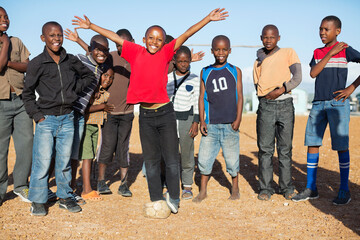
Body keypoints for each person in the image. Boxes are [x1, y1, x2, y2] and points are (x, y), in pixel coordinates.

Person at [72, 8, 228, 215]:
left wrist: (208, 19)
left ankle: (173, 197)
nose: (155, 42)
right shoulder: (135, 52)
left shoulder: (165, 53)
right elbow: (114, 36)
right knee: (152, 161)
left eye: (159, 39)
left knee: (172, 159)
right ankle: (156, 199)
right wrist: (91, 26)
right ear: (144, 39)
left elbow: (187, 33)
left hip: (165, 113)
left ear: (164, 43)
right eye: (151, 38)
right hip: (145, 116)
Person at [22, 21, 95, 216]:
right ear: (43, 38)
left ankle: (64, 197)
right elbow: (27, 94)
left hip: (68, 118)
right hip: (46, 119)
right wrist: (37, 116)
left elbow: (89, 77)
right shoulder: (37, 63)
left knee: (63, 161)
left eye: (59, 35)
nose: (56, 39)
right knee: (43, 160)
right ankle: (38, 200)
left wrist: (73, 90)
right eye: (52, 35)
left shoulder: (70, 60)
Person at [292, 16, 360, 205]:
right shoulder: (317, 52)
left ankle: (344, 189)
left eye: (326, 29)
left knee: (341, 146)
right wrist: (329, 54)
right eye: (320, 29)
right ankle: (311, 188)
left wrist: (351, 88)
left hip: (338, 104)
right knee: (312, 143)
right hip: (318, 104)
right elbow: (314, 73)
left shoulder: (346, 50)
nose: (322, 32)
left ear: (337, 31)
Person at [253, 25, 302, 201]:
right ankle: (265, 188)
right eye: (265, 37)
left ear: (278, 38)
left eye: (272, 37)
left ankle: (286, 187)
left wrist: (281, 90)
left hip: (285, 106)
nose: (268, 40)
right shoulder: (258, 61)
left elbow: (297, 77)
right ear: (261, 38)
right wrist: (266, 98)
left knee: (285, 149)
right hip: (265, 106)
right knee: (265, 150)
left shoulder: (288, 52)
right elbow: (257, 84)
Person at [193, 35, 243, 203]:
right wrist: (202, 120)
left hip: (230, 125)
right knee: (204, 159)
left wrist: (238, 119)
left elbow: (240, 96)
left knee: (232, 159)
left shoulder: (235, 70)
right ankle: (203, 191)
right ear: (212, 51)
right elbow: (201, 98)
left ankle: (235, 188)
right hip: (211, 125)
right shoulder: (205, 71)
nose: (220, 52)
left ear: (229, 51)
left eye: (224, 49)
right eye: (217, 49)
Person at [64, 30, 109, 203]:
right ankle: (50, 188)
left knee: (74, 152)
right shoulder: (79, 59)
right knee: (61, 152)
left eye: (105, 50)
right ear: (90, 49)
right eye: (98, 49)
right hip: (69, 111)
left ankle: (72, 187)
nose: (102, 53)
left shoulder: (100, 69)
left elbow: (96, 52)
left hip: (81, 114)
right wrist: (78, 41)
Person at [0, 7, 33, 205]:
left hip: (21, 101)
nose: (4, 20)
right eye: (0, 17)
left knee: (26, 144)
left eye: (6, 17)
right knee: (1, 149)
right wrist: (4, 44)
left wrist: (9, 63)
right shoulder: (7, 42)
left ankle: (21, 186)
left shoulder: (17, 41)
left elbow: (28, 65)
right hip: (1, 103)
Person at [166, 46, 200, 200]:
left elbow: (197, 102)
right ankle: (170, 185)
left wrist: (196, 122)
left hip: (187, 120)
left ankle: (187, 186)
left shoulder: (194, 79)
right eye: (180, 61)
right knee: (170, 155)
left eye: (186, 61)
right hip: (169, 121)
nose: (184, 64)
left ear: (190, 60)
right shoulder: (166, 79)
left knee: (187, 154)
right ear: (174, 61)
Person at [79, 66, 114, 201]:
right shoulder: (91, 90)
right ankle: (86, 190)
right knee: (87, 156)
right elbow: (84, 108)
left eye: (111, 78)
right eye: (105, 75)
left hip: (94, 126)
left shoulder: (103, 91)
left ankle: (85, 185)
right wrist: (102, 106)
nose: (108, 79)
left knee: (90, 155)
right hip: (87, 125)